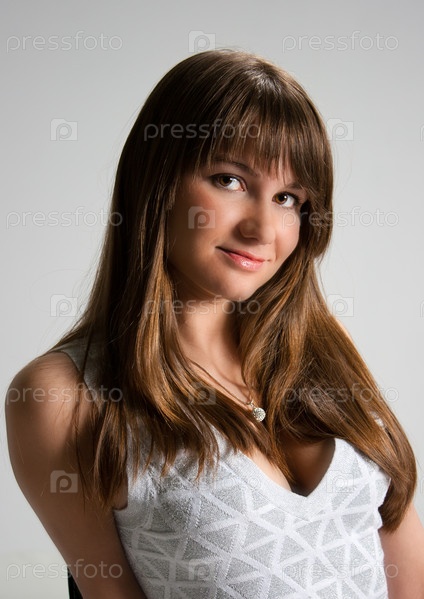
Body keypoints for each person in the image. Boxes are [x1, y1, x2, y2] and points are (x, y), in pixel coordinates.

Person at [5, 48, 424, 599]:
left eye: (288, 198)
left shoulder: (324, 360)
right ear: (156, 180)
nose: (263, 229)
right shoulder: (68, 398)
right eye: (229, 180)